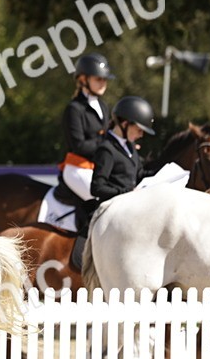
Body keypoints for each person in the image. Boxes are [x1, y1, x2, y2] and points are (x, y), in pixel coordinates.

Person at [71, 95, 156, 268]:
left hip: (128, 207)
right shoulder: (106, 149)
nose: (141, 134)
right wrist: (126, 193)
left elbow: (138, 173)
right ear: (125, 123)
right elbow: (97, 187)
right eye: (139, 129)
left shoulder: (130, 148)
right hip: (112, 209)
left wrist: (162, 174)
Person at [58, 53, 116, 203]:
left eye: (104, 79)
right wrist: (107, 143)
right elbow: (79, 146)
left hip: (97, 169)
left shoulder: (103, 106)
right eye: (98, 79)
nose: (103, 83)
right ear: (83, 80)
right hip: (78, 168)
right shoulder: (74, 109)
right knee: (102, 200)